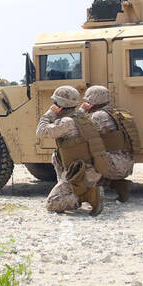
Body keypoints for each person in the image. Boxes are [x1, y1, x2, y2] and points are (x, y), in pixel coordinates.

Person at [35, 86, 103, 216]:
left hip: (79, 174)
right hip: (92, 169)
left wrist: (50, 113)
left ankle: (88, 196)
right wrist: (82, 109)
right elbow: (78, 115)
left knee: (52, 203)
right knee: (57, 154)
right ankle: (71, 188)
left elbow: (41, 131)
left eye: (55, 103)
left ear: (59, 105)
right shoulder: (84, 117)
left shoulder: (65, 122)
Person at [81, 85, 135, 202]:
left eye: (88, 100)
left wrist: (82, 111)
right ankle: (119, 185)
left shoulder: (98, 116)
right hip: (124, 162)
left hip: (115, 165)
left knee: (80, 158)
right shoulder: (113, 112)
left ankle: (90, 194)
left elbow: (79, 130)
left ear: (93, 100)